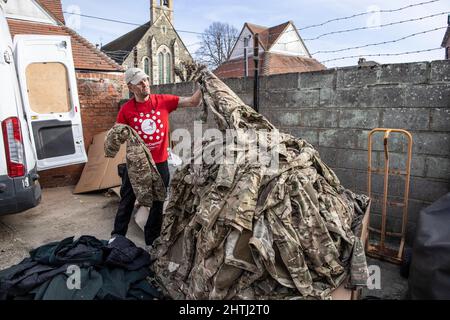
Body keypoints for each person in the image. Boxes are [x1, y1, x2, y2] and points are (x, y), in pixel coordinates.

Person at [111, 67, 202, 247]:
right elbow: (117, 135)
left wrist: (204, 84)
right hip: (136, 165)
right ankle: (116, 236)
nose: (145, 84)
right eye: (139, 82)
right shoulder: (126, 110)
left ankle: (152, 241)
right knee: (127, 199)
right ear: (131, 87)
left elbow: (193, 102)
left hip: (160, 163)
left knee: (158, 202)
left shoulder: (163, 101)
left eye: (145, 79)